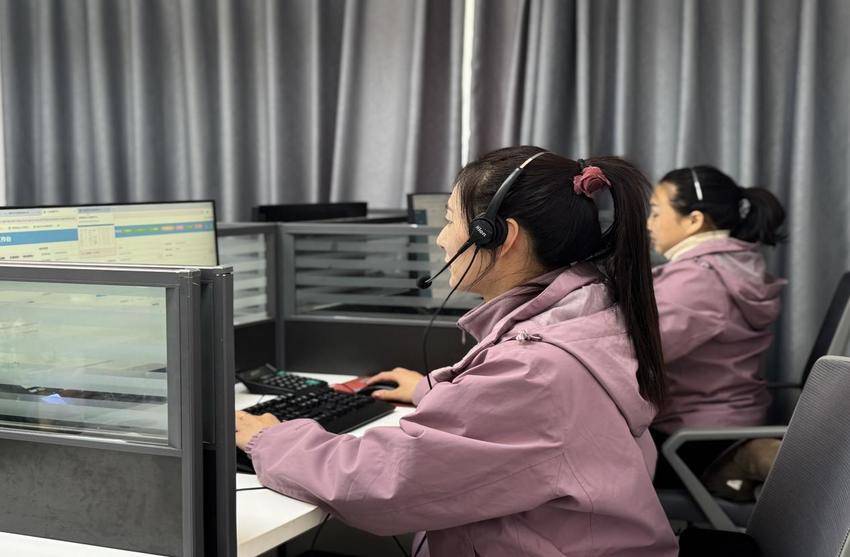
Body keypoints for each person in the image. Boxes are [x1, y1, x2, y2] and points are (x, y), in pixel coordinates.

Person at [236, 146, 678, 556]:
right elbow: (523, 423)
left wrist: (268, 438)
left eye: (450, 221)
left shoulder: (534, 370)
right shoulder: (589, 316)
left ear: (497, 237)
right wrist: (431, 390)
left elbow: (383, 482)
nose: (442, 240)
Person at [646, 165, 786, 489]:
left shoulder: (698, 281)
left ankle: (728, 468)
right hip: (730, 420)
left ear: (694, 220)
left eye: (655, 212)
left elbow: (640, 350)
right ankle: (735, 466)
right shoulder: (735, 265)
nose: (648, 223)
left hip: (690, 437)